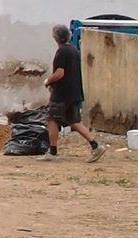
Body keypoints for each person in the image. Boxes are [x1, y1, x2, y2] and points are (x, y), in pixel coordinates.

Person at [42, 24, 105, 163]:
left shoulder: (61, 52)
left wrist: (48, 81)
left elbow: (60, 73)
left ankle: (52, 152)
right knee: (74, 121)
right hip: (74, 92)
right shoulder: (74, 50)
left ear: (55, 37)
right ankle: (96, 146)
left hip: (62, 94)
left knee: (51, 119)